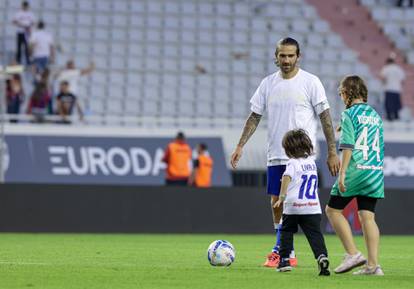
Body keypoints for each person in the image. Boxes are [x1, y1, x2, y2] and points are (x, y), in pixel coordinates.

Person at [230, 37, 340, 268]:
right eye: (283, 55)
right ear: (276, 57)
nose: (287, 60)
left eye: (291, 55)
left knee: (301, 203)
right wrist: (240, 145)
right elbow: (254, 117)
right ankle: (284, 250)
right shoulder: (268, 84)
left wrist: (332, 151)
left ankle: (284, 250)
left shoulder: (311, 82)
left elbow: (325, 117)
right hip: (276, 154)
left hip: (303, 157)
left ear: (298, 56)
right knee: (276, 202)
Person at [325, 75, 384, 276]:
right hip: (375, 172)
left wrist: (342, 174)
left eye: (341, 93)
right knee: (368, 216)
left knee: (332, 210)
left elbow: (348, 146)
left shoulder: (349, 113)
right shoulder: (375, 114)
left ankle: (352, 254)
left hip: (356, 170)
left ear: (348, 93)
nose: (341, 97)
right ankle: (373, 266)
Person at [274, 129, 330, 276]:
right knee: (315, 235)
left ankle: (284, 260)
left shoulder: (292, 163)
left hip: (293, 206)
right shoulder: (312, 163)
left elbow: (286, 177)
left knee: (286, 231)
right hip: (312, 207)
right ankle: (322, 257)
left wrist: (281, 196)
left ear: (288, 149)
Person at [380, 55, 405, 121]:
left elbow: (383, 78)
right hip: (397, 89)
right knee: (396, 103)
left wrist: (384, 84)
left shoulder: (386, 68)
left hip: (388, 88)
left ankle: (389, 117)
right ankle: (396, 116)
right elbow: (402, 79)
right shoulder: (398, 69)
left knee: (388, 104)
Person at [12, 1, 35, 65]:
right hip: (20, 32)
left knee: (27, 47)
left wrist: (28, 27)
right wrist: (21, 25)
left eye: (26, 6)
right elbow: (14, 21)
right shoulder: (19, 13)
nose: (25, 7)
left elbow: (33, 22)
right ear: (22, 6)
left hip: (27, 33)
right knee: (19, 47)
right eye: (24, 6)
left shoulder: (30, 14)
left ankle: (28, 61)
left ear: (27, 6)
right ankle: (18, 61)